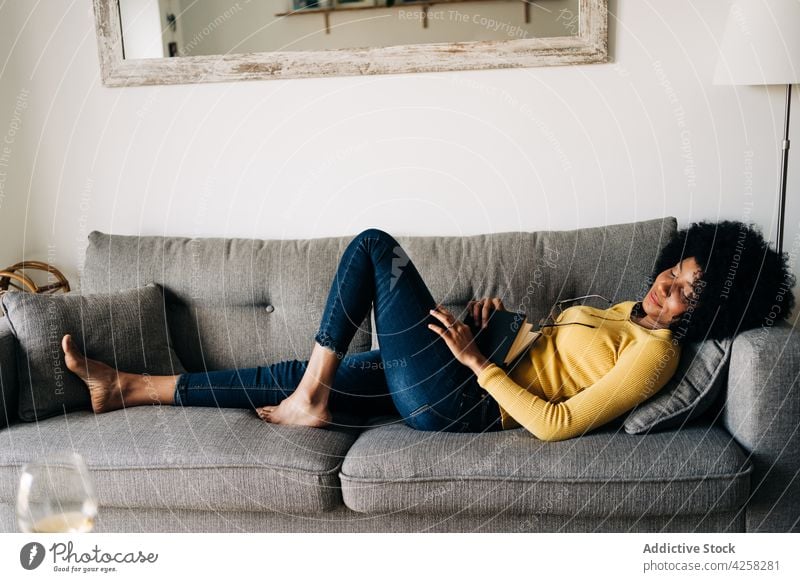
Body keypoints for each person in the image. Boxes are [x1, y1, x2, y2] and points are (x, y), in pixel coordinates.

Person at [60, 221, 795, 442]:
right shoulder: (626, 313)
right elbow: (552, 357)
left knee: (375, 246)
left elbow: (555, 420)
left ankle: (313, 393)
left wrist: (476, 360)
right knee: (284, 370)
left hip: (467, 402)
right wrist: (489, 330)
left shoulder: (656, 355)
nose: (668, 288)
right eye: (677, 272)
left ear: (710, 316)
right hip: (467, 368)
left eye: (689, 295)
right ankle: (126, 387)